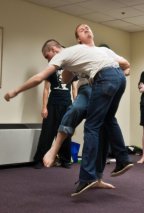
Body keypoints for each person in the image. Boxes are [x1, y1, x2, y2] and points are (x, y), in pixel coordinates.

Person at [4, 24, 132, 196]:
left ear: (54, 49)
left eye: (47, 57)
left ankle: (90, 177)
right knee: (99, 118)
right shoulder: (78, 53)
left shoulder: (78, 51)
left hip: (104, 80)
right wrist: (115, 78)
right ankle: (121, 159)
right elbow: (65, 79)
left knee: (94, 127)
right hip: (103, 83)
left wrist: (15, 91)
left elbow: (40, 77)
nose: (48, 61)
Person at [33, 49, 77, 169]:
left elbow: (74, 89)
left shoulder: (71, 69)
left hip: (67, 104)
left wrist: (76, 105)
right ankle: (39, 160)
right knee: (47, 133)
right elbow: (46, 89)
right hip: (52, 104)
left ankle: (65, 160)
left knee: (65, 132)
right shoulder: (51, 68)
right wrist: (44, 107)